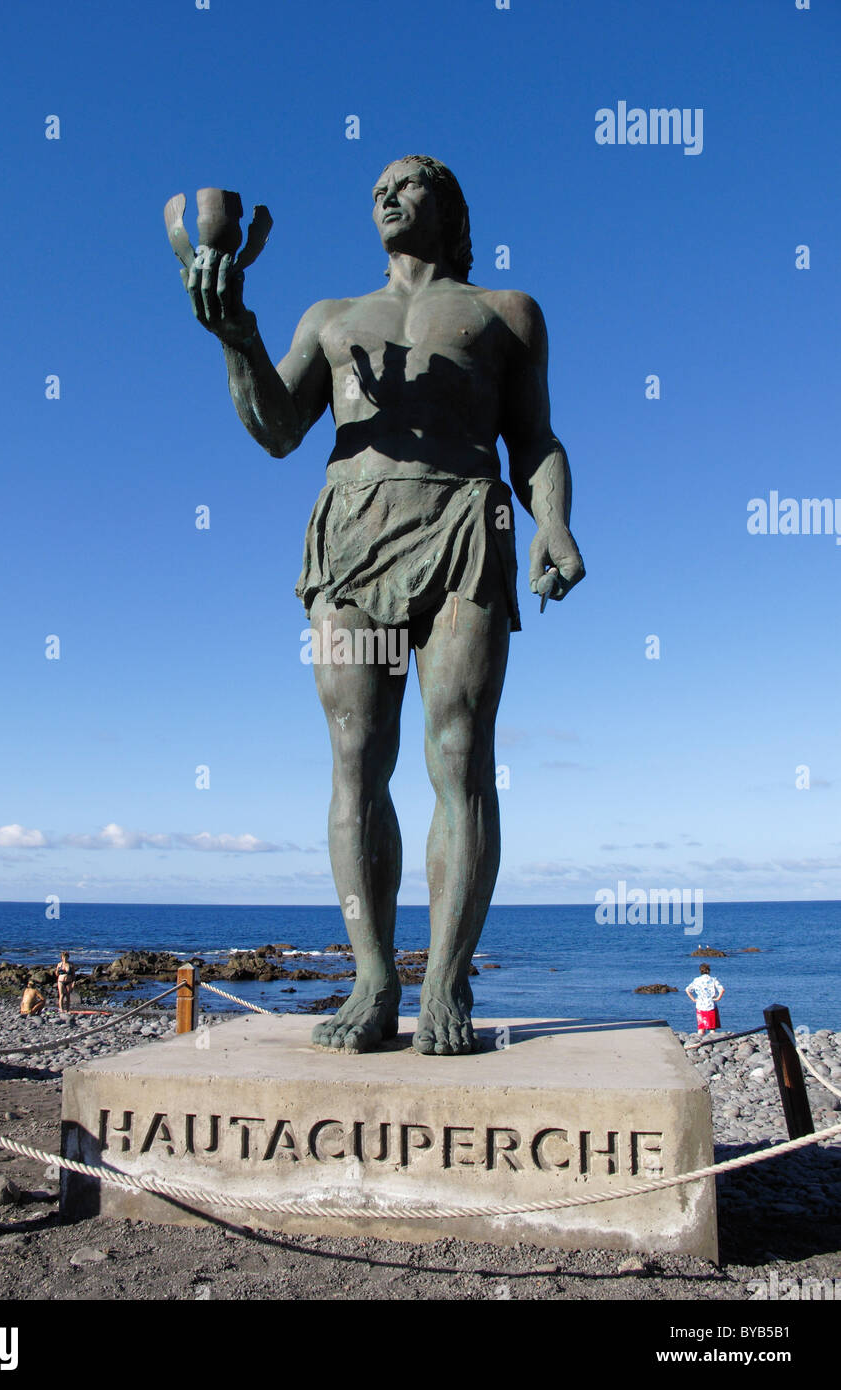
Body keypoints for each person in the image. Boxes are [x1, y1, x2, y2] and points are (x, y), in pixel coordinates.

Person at [180, 155, 585, 1055]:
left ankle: (445, 976)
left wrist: (554, 525)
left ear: (447, 205)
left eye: (405, 186)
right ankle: (372, 977)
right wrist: (236, 334)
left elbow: (537, 439)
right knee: (357, 756)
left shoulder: (506, 312)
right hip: (353, 539)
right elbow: (280, 431)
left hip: (463, 530)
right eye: (374, 192)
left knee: (458, 749)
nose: (387, 199)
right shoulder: (329, 319)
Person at [686, 963, 725, 1033]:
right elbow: (722, 990)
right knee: (712, 1028)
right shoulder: (713, 980)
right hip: (711, 1005)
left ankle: (700, 1041)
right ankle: (712, 1041)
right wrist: (718, 998)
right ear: (709, 971)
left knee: (701, 1027)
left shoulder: (696, 980)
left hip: (700, 1005)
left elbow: (687, 990)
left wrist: (693, 999)